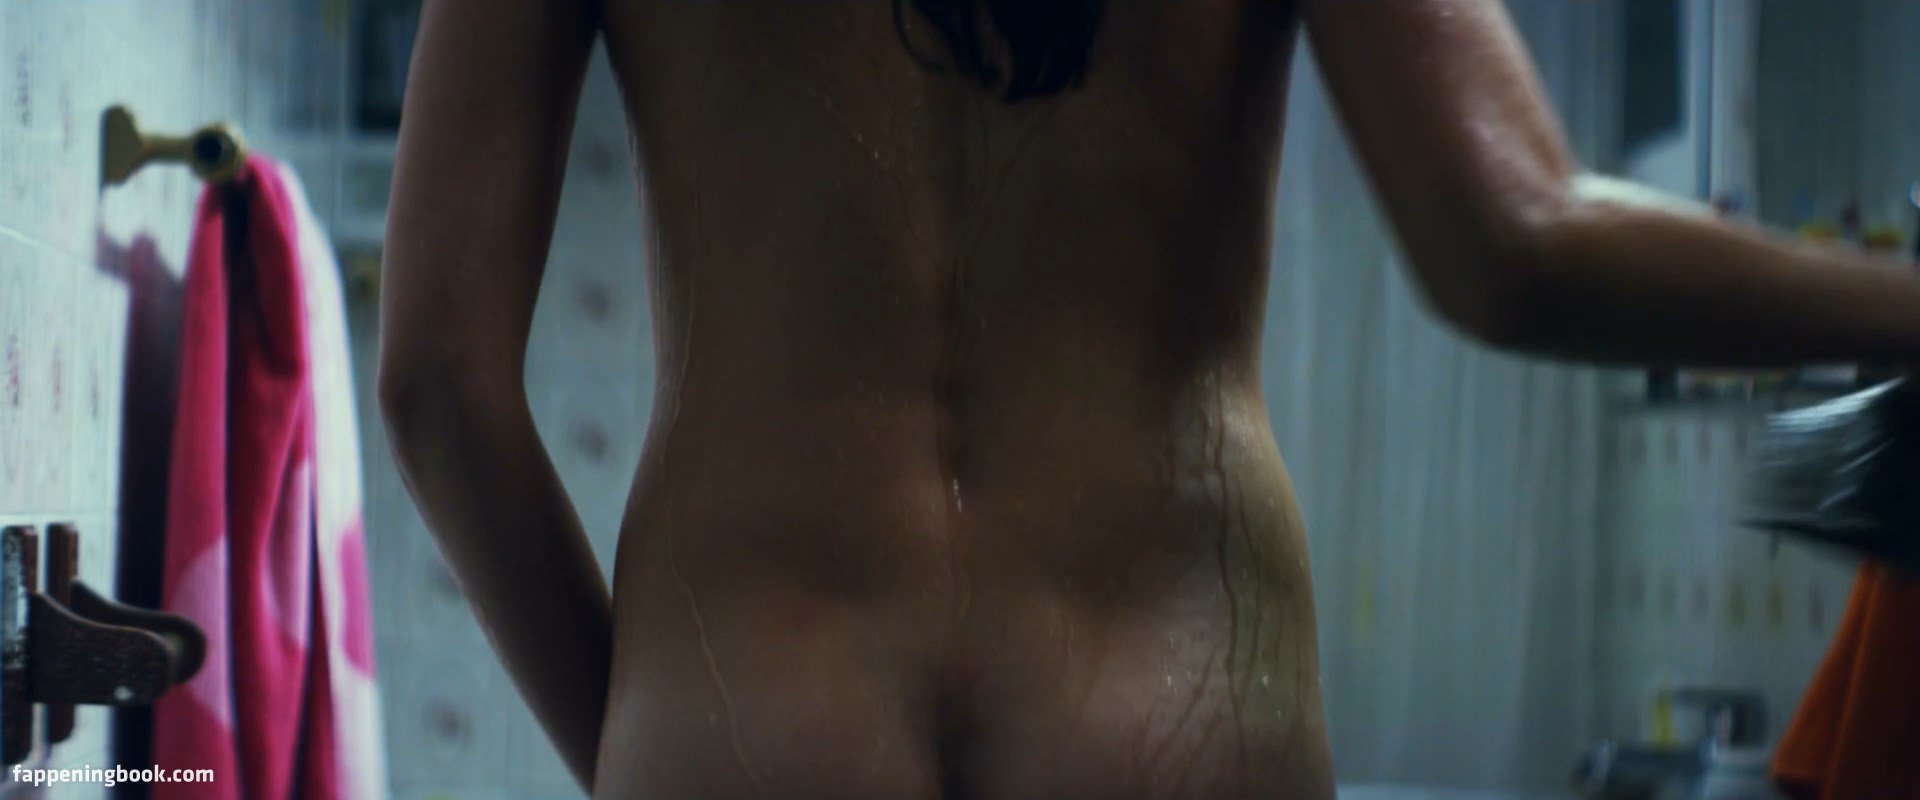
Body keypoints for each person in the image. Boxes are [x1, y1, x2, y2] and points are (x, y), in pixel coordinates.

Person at [377, 1, 1920, 797]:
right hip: (1172, 710)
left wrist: (656, 748)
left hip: (751, 713)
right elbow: (1516, 245)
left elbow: (438, 380)